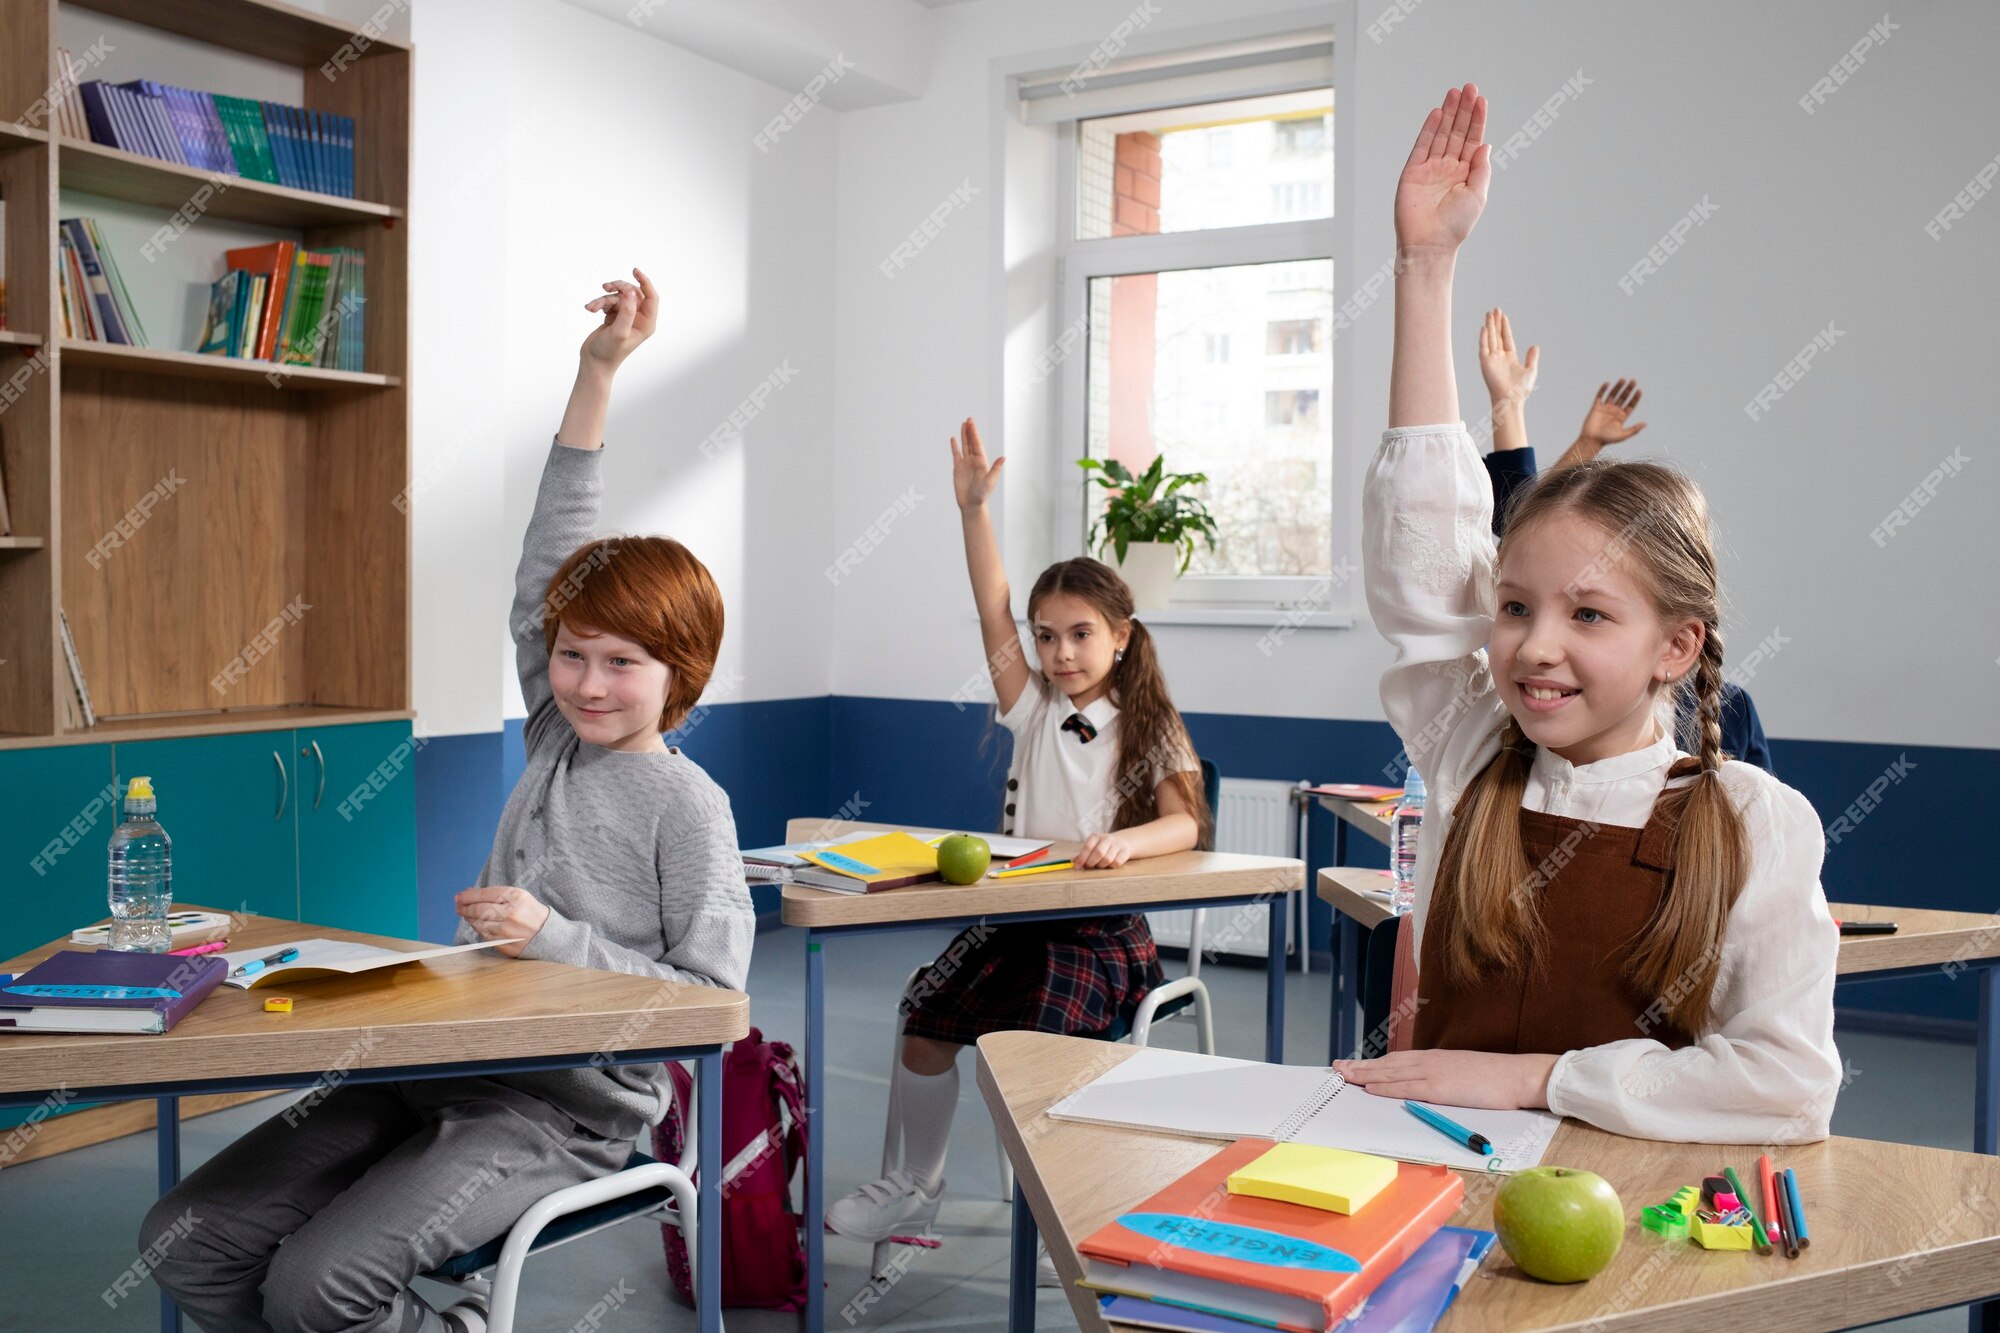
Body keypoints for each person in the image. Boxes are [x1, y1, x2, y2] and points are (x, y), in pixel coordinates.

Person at [142, 268, 755, 1333]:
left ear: (680, 673)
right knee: (182, 1240)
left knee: (315, 1285)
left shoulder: (688, 806)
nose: (589, 683)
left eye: (623, 662)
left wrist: (558, 939)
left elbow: (706, 1002)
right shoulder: (555, 736)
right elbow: (545, 566)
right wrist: (595, 373)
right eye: (571, 655)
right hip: (438, 1067)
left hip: (565, 1115)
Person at [1334, 86, 1839, 1143]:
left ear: (1676, 645)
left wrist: (1534, 1081)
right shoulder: (1471, 749)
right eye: (1512, 606)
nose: (1536, 646)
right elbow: (1425, 555)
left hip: (1637, 1229)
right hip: (1431, 1196)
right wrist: (1423, 271)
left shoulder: (1752, 821)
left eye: (1589, 615)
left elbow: (1785, 1082)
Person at [825, 418, 1211, 1261]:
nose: (1060, 650)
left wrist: (1127, 843)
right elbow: (988, 603)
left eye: (1080, 633)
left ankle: (1077, 1192)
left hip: (1098, 934)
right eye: (1046, 634)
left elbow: (1186, 821)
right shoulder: (1032, 704)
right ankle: (918, 1183)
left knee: (1031, 1054)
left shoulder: (1151, 724)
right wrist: (972, 511)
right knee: (925, 1017)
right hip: (1013, 919)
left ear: (1122, 634)